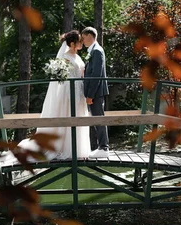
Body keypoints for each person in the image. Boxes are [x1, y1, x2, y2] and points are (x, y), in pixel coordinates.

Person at [7, 30, 91, 162]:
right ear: (73, 43)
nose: (81, 43)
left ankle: (78, 149)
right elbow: (62, 77)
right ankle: (65, 148)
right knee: (69, 116)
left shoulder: (78, 57)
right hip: (69, 92)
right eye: (79, 41)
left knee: (79, 116)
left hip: (80, 92)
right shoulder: (65, 57)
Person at [82, 27, 109, 158]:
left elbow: (96, 75)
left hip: (96, 92)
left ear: (89, 36)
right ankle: (101, 146)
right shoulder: (93, 50)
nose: (82, 40)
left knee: (99, 118)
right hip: (95, 92)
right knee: (96, 118)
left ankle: (104, 147)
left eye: (83, 37)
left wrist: (90, 95)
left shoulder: (97, 51)